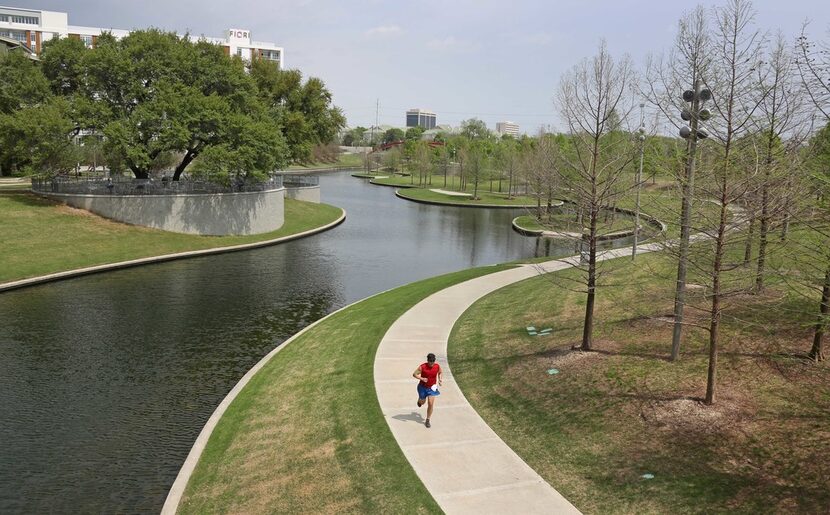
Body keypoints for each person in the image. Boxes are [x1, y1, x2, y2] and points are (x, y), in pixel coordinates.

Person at [413, 353, 442, 428]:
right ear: (427, 360)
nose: (431, 363)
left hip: (432, 388)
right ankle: (419, 401)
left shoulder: (437, 366)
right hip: (422, 387)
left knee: (430, 403)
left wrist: (440, 379)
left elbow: (440, 372)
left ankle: (428, 420)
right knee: (422, 402)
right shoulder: (422, 367)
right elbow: (414, 374)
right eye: (430, 362)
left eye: (433, 361)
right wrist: (422, 378)